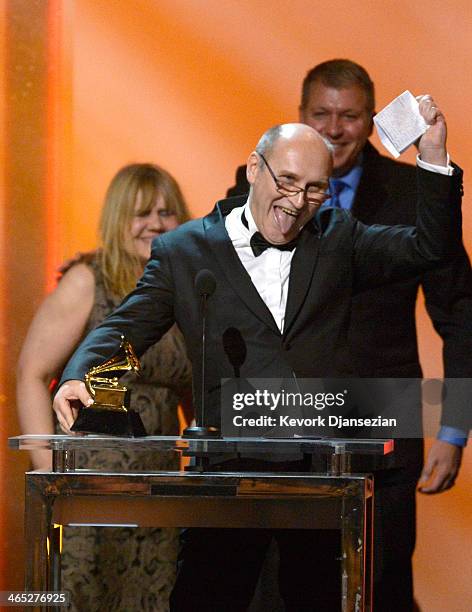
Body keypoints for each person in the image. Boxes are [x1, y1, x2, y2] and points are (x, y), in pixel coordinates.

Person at [51, 97, 462, 610]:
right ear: (253, 169)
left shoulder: (339, 238)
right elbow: (128, 326)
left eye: (315, 189)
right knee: (209, 599)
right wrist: (80, 375)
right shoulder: (185, 250)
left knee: (315, 600)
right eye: (287, 181)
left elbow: (431, 248)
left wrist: (433, 156)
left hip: (318, 473)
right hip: (227, 469)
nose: (297, 201)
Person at [227, 59, 471, 610]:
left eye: (350, 116)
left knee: (380, 588)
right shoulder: (257, 188)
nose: (334, 129)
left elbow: (460, 315)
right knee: (281, 592)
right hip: (280, 424)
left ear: (372, 119)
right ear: (300, 116)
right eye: (321, 114)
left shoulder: (416, 192)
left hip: (380, 420)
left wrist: (454, 429)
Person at [16, 163, 193, 611]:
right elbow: (32, 374)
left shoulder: (186, 291)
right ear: (117, 219)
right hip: (89, 491)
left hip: (161, 493)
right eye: (141, 213)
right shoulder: (87, 281)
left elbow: (193, 391)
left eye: (166, 211)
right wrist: (48, 471)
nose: (155, 222)